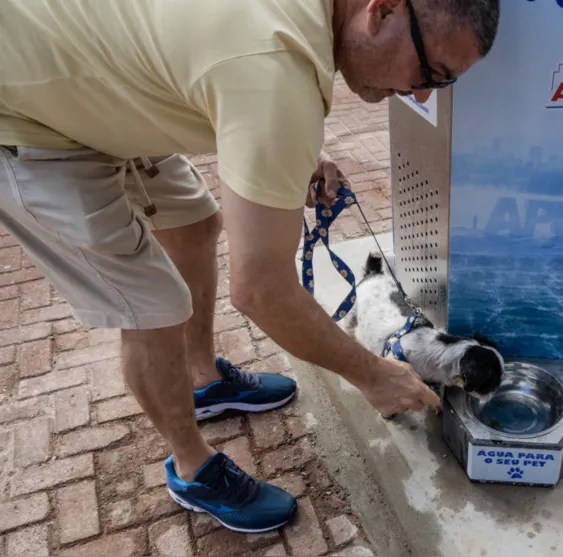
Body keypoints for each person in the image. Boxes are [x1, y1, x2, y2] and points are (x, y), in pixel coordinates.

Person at [0, 0, 500, 534]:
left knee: (194, 224)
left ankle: (202, 379)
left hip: (108, 85)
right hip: (31, 117)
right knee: (152, 307)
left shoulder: (295, 37)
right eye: (431, 73)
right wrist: (373, 376)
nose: (422, 94)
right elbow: (261, 291)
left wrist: (293, 154)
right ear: (382, 11)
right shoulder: (273, 69)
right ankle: (192, 469)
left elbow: (237, 78)